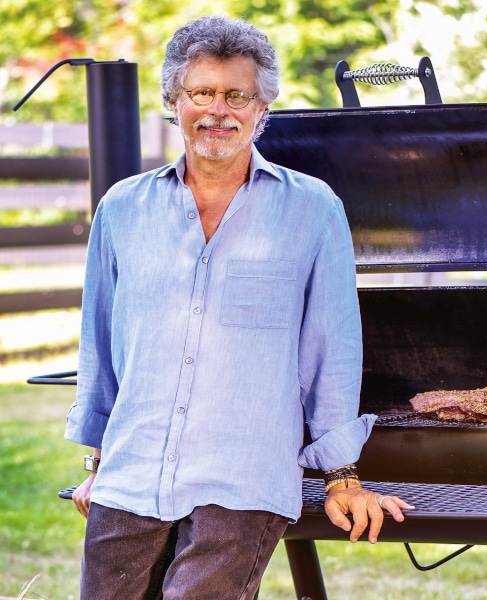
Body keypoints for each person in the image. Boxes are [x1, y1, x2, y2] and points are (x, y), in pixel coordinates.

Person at [65, 14, 413, 600]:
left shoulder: (312, 209)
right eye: (201, 92)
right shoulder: (122, 209)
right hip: (131, 476)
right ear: (175, 102)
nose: (217, 111)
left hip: (242, 480)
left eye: (237, 95)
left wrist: (341, 478)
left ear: (262, 109)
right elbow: (102, 342)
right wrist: (98, 467)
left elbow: (331, 347)